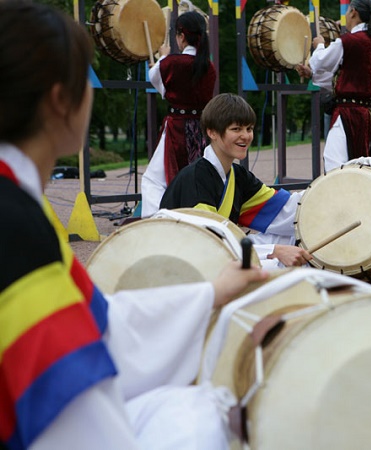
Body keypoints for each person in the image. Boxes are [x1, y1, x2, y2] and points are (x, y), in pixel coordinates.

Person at [0, 3, 268, 449]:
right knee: (209, 417)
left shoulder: (23, 207)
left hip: (174, 131)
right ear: (60, 102)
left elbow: (93, 325)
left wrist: (209, 294)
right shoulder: (17, 228)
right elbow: (69, 403)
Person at [160, 93, 313, 268]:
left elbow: (285, 212)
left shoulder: (238, 175)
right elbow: (207, 243)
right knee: (277, 260)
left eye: (249, 129)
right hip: (183, 264)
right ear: (212, 132)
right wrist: (275, 251)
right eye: (236, 129)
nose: (246, 136)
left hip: (213, 253)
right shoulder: (196, 178)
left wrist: (330, 190)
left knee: (295, 235)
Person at [296, 0, 371, 173]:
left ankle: (340, 198)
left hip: (347, 113)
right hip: (365, 115)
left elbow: (321, 61)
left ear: (353, 12)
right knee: (360, 165)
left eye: (347, 12)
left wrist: (320, 45)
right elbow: (346, 76)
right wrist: (312, 75)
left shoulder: (348, 41)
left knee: (334, 164)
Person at [141, 10, 216, 218]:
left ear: (181, 36)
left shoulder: (171, 62)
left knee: (154, 180)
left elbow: (156, 79)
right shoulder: (208, 67)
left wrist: (162, 57)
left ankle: (154, 221)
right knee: (194, 178)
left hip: (176, 128)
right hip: (200, 130)